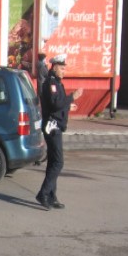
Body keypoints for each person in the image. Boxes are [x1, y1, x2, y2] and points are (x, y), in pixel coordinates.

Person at [36, 54, 83, 210]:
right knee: (58, 162)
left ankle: (51, 195)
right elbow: (56, 104)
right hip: (52, 127)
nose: (64, 71)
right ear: (55, 67)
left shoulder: (56, 83)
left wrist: (68, 106)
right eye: (62, 68)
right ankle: (43, 193)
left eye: (64, 68)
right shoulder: (52, 84)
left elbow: (58, 104)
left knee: (53, 161)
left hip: (56, 125)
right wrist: (72, 98)